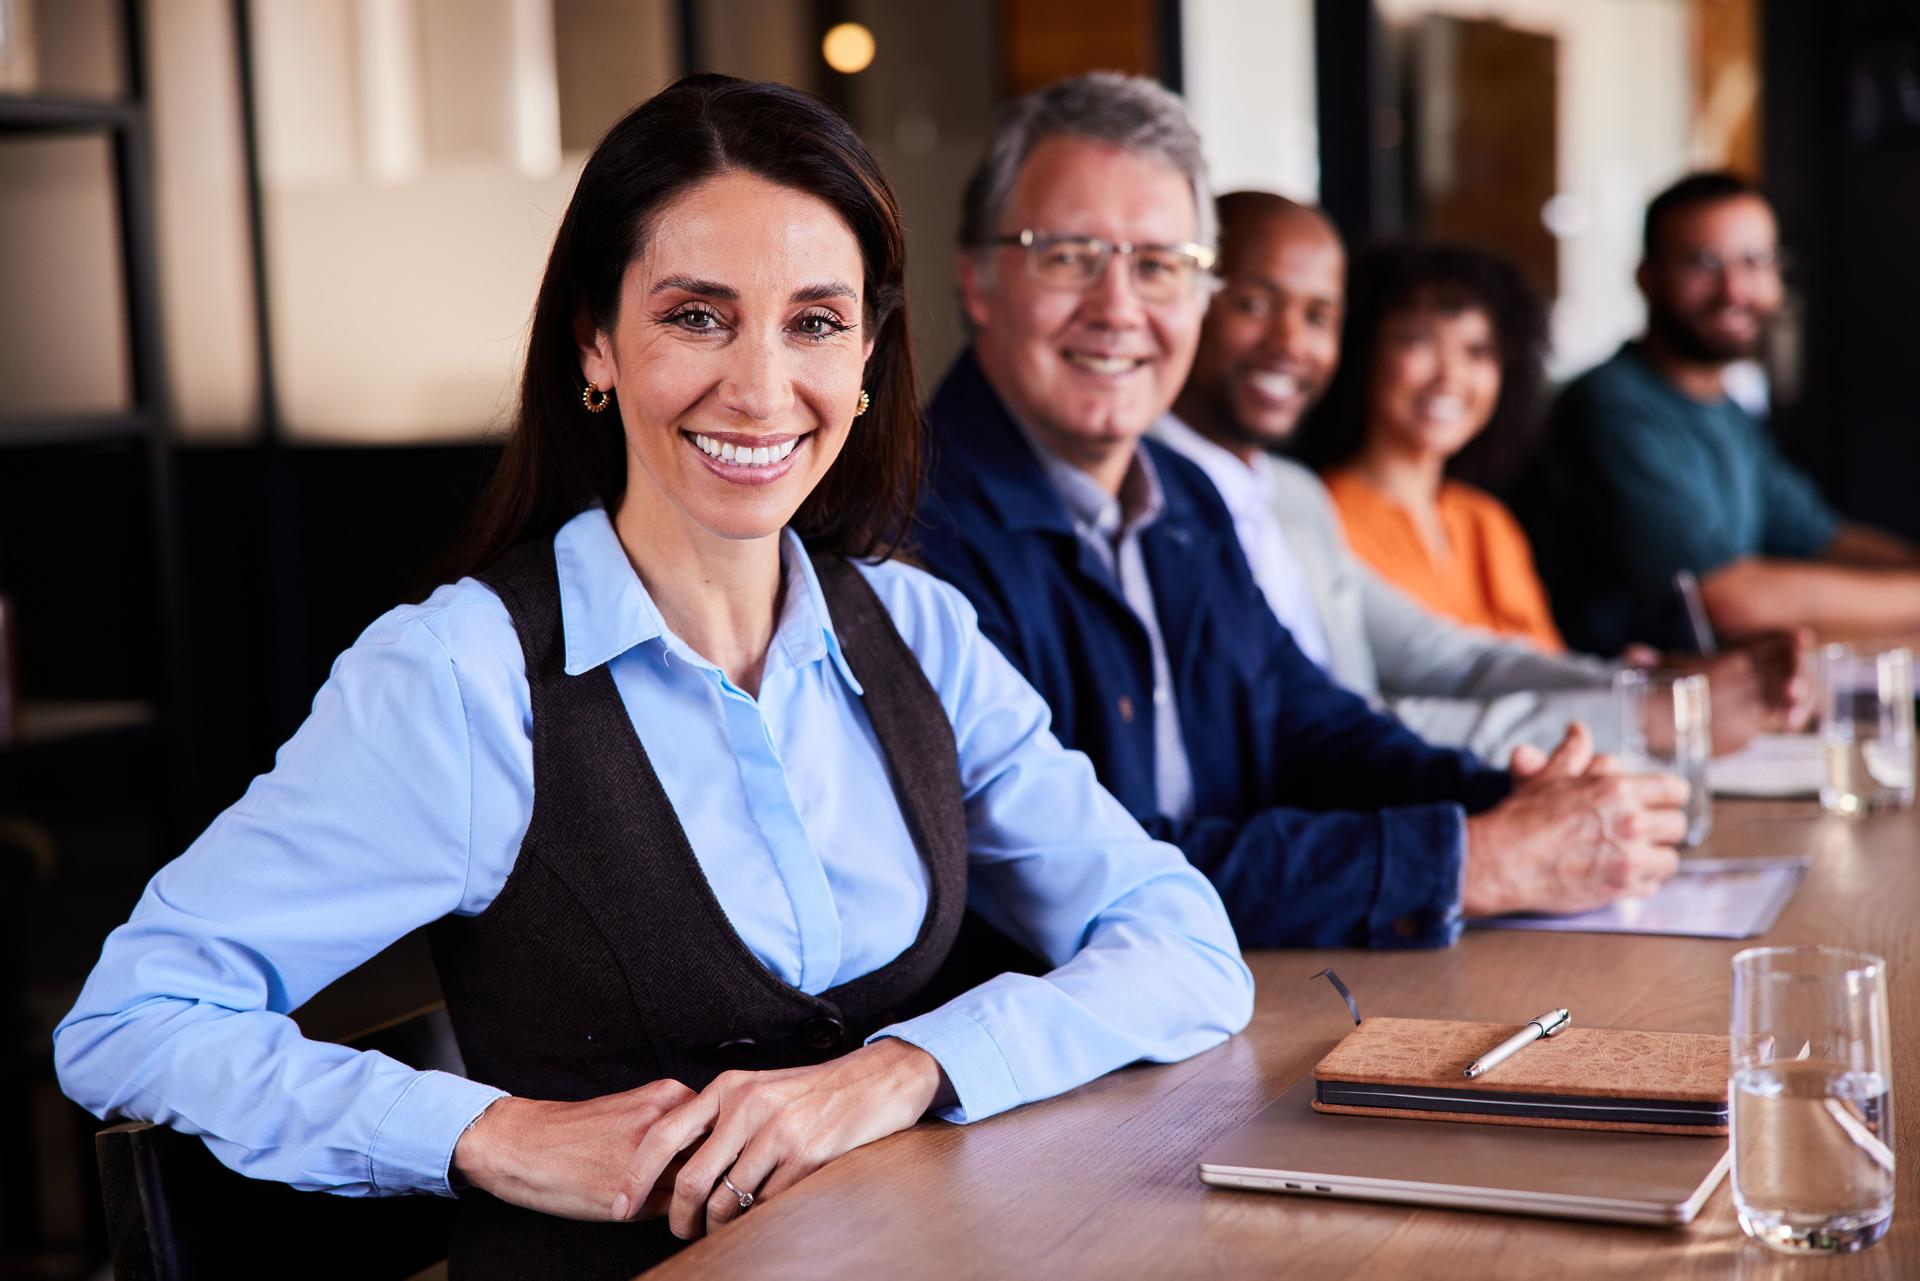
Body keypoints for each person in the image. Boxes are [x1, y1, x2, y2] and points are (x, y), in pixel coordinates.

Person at [53, 76, 1254, 1281]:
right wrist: (483, 1131)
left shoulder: (915, 632)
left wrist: (901, 1071)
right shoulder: (464, 680)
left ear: (871, 354)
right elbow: (132, 1016)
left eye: (816, 323)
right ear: (596, 340)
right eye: (697, 316)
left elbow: (1182, 942)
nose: (761, 388)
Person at [915, 72, 1686, 954]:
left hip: (1238, 1004)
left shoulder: (1185, 494)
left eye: (1159, 266)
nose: (1119, 308)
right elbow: (1078, 879)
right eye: (1068, 255)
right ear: (977, 281)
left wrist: (1511, 800)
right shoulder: (910, 532)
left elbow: (1305, 722)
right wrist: (1477, 857)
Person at [1160, 192, 1809, 759]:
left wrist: (1651, 687)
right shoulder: (1173, 503)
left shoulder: (1291, 497)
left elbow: (1445, 656)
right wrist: (1644, 716)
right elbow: (1333, 726)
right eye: (1252, 302)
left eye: (1316, 315)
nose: (1290, 342)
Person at [1531, 172, 1920, 654]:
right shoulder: (1610, 403)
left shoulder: (1730, 413)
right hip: (1634, 709)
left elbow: (1821, 537)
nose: (1735, 290)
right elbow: (1725, 600)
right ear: (1647, 277)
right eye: (1704, 263)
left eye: (1756, 261)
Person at [1291, 243, 1565, 655]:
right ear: (1363, 352)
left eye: (1478, 351)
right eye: (1418, 342)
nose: (1451, 375)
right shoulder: (1320, 516)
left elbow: (1551, 670)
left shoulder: (1486, 523)